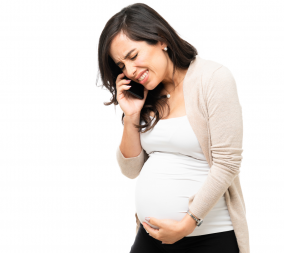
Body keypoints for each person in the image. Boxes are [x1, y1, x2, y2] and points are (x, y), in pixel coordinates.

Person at [97, 3, 250, 253]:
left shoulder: (213, 78)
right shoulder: (147, 95)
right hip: (150, 236)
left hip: (209, 237)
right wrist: (131, 117)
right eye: (122, 65)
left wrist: (187, 224)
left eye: (133, 56)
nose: (131, 71)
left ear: (161, 39)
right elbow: (130, 169)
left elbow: (228, 163)